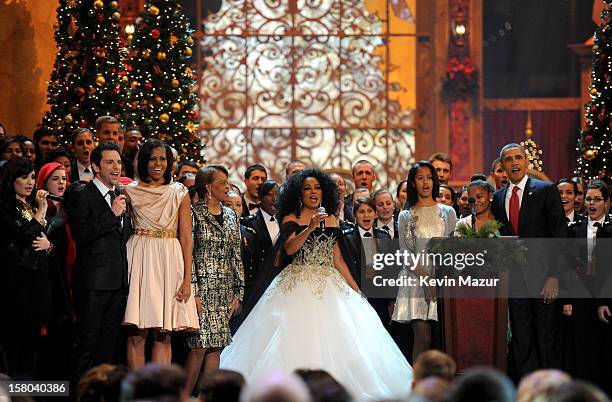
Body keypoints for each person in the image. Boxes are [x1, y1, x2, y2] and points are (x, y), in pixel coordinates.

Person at [220, 168, 413, 401]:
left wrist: (355, 288)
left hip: (330, 282)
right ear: (298, 194)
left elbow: (338, 259)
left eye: (317, 188)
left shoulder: (332, 217)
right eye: (307, 188)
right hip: (297, 279)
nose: (313, 192)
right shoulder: (291, 217)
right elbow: (289, 248)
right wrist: (310, 227)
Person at [491, 143, 567, 377]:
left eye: (518, 158)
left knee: (547, 339)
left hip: (544, 280)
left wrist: (555, 276)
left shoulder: (546, 190)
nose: (514, 163)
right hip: (514, 283)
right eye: (509, 160)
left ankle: (550, 390)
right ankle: (527, 390)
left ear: (526, 162)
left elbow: (560, 236)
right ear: (502, 166)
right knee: (522, 341)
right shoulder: (498, 197)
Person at [123, 139, 199, 369]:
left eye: (163, 159)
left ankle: (160, 390)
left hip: (169, 257)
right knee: (137, 332)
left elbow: (186, 238)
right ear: (144, 161)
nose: (158, 164)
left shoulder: (179, 192)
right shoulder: (128, 191)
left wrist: (187, 279)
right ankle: (137, 392)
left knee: (164, 333)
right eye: (153, 158)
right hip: (140, 257)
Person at [66, 141, 131, 384]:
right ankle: (78, 394)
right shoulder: (82, 193)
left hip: (117, 284)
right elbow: (81, 235)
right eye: (109, 162)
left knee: (108, 348)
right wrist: (111, 215)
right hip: (93, 285)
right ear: (95, 166)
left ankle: (101, 393)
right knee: (86, 344)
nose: (116, 167)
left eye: (119, 162)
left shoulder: (120, 195)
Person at [184, 165, 244, 395]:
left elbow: (236, 254)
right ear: (208, 187)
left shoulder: (230, 215)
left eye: (227, 181)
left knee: (215, 347)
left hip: (224, 289)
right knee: (199, 347)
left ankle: (208, 397)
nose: (227, 186)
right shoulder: (193, 213)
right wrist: (194, 290)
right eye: (222, 182)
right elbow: (189, 254)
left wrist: (238, 292)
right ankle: (184, 396)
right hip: (202, 289)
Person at [392, 161, 457, 361]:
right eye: (420, 178)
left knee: (446, 338)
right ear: (413, 183)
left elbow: (453, 248)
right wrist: (427, 280)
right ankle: (417, 383)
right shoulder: (406, 215)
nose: (426, 182)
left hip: (443, 278)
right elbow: (405, 252)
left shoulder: (447, 212)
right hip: (416, 279)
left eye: (429, 177)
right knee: (422, 338)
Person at [0, 158, 52, 378]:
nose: (30, 182)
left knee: (33, 346)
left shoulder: (27, 206)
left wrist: (50, 245)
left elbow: (39, 239)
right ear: (11, 180)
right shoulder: (4, 206)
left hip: (36, 283)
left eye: (32, 176)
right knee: (16, 346)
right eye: (23, 177)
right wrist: (42, 211)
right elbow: (25, 235)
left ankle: (28, 393)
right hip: (16, 284)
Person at [36, 162, 74, 380]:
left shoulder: (71, 207)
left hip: (71, 276)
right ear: (44, 183)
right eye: (55, 178)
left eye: (63, 178)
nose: (61, 182)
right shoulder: (40, 210)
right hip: (50, 280)